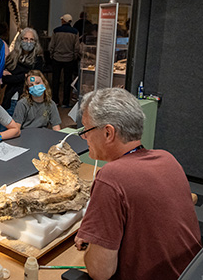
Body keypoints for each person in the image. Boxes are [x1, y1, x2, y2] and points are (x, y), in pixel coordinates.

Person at [74, 88, 201, 280]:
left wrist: (94, 246)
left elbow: (100, 272)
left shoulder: (110, 177)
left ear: (108, 133)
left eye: (86, 130)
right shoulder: (167, 158)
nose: (84, 137)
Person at [1, 28, 44, 114]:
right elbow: (6, 79)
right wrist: (24, 76)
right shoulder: (12, 57)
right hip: (11, 99)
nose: (28, 42)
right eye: (25, 39)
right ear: (20, 40)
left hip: (28, 101)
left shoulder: (38, 59)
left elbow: (33, 79)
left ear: (36, 42)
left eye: (32, 39)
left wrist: (15, 75)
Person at [48, 14, 80, 108]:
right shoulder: (75, 32)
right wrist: (74, 56)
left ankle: (55, 100)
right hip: (69, 59)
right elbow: (76, 47)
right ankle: (66, 101)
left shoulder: (56, 31)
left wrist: (51, 55)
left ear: (63, 21)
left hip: (57, 58)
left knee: (56, 80)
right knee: (67, 81)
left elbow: (51, 45)